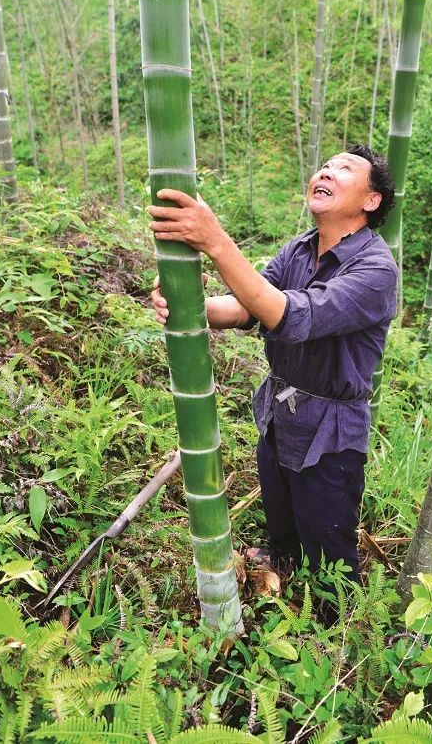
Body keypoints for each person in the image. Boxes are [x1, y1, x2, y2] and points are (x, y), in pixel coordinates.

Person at [149, 144, 398, 594]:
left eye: (344, 168)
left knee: (328, 542)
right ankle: (282, 564)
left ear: (371, 199)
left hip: (331, 429)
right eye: (325, 165)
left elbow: (288, 315)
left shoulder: (375, 269)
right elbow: (246, 307)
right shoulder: (300, 249)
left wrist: (215, 241)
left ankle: (333, 617)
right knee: (281, 519)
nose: (326, 172)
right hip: (281, 407)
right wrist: (190, 303)